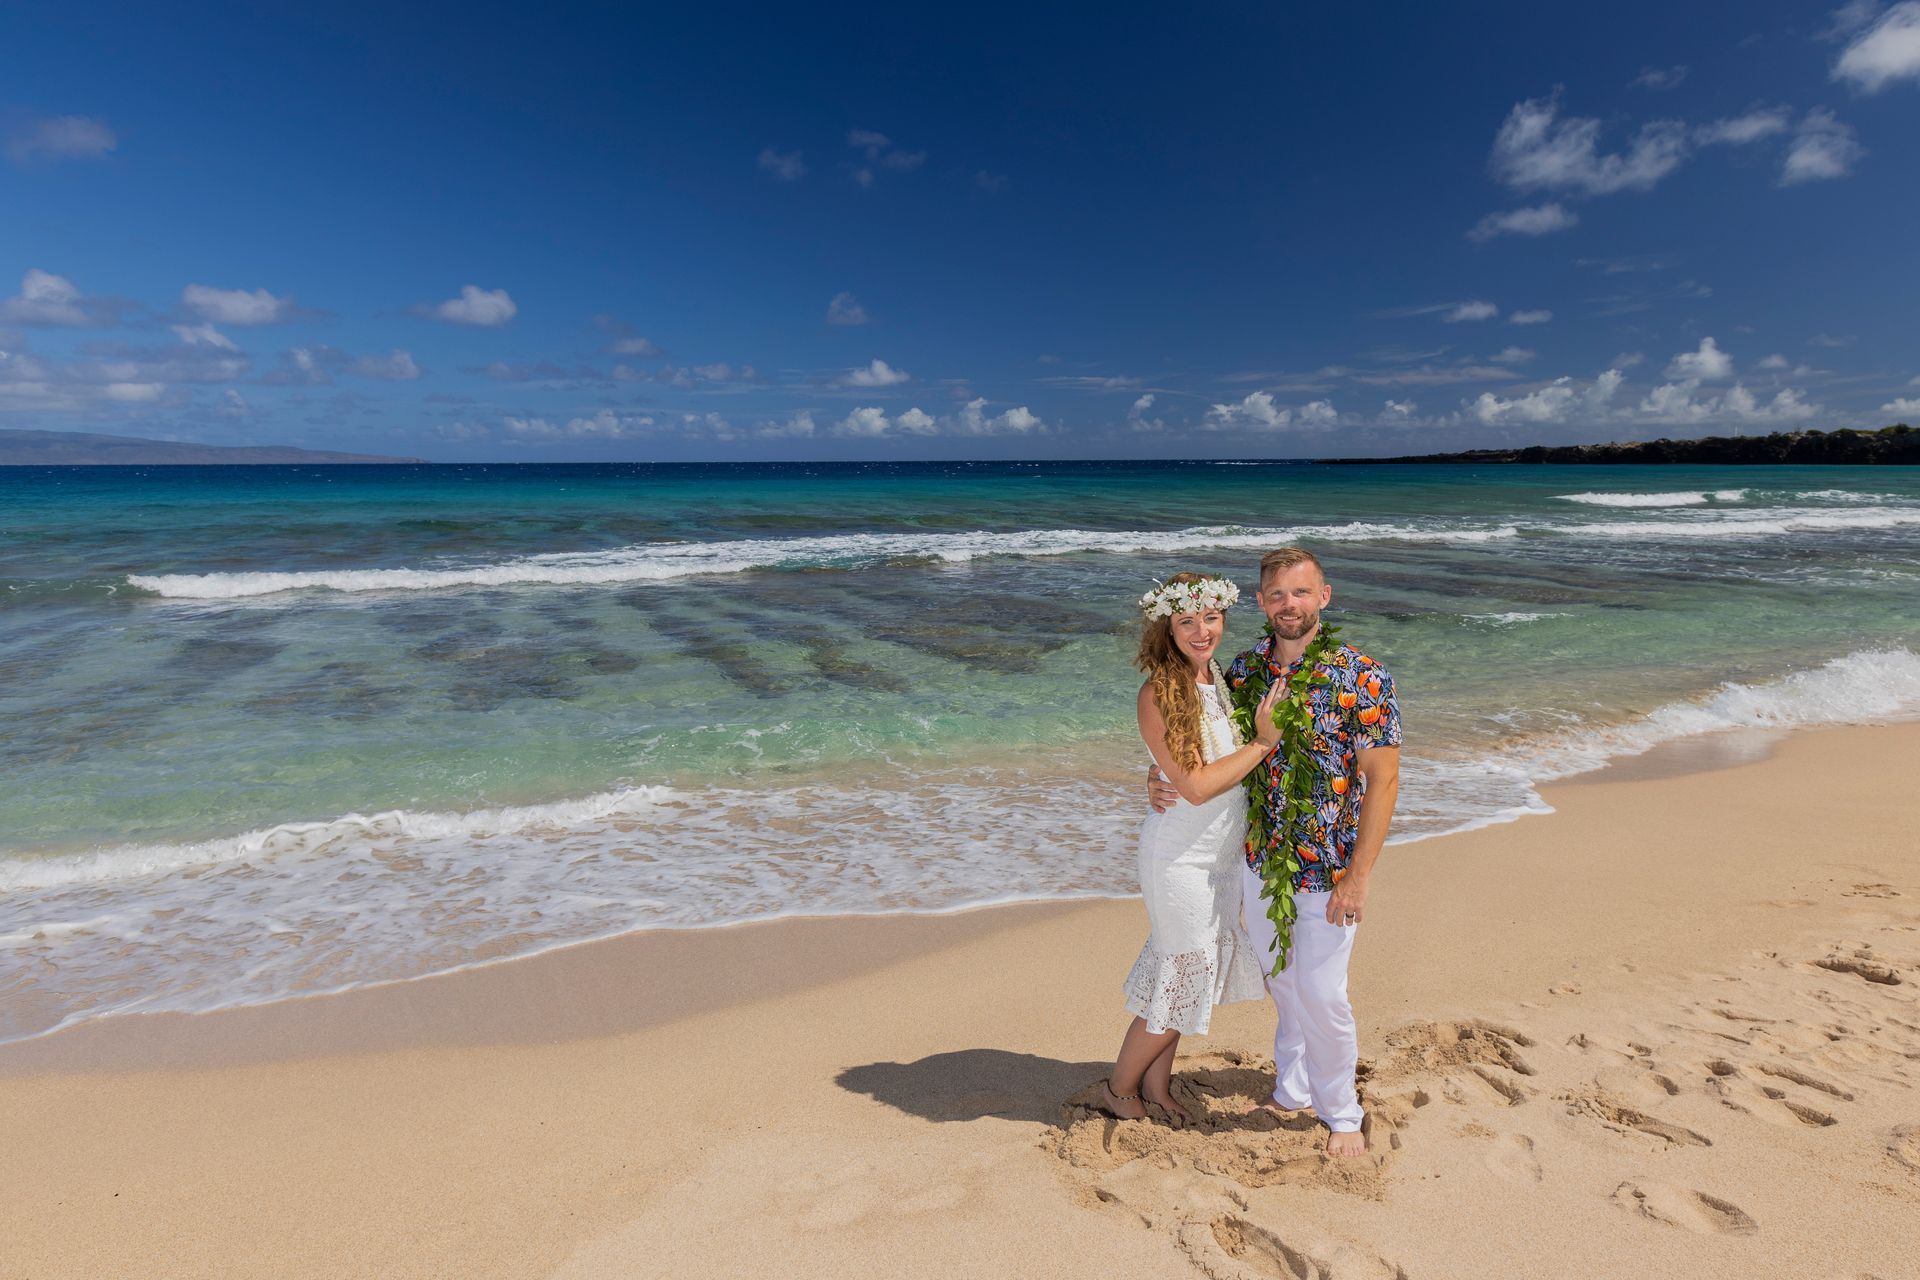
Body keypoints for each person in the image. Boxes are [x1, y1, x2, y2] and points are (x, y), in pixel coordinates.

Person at [1149, 547, 1402, 1156]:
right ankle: (1291, 1086)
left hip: (1329, 866)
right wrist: (1156, 777)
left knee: (1323, 993)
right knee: (1283, 984)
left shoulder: (1363, 677)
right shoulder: (1243, 672)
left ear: (1325, 597)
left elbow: (1383, 781)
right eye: (1278, 595)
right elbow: (1206, 747)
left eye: (1302, 592)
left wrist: (1360, 875)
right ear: (1261, 603)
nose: (1291, 605)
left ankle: (1341, 1111)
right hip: (1260, 860)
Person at [1103, 571, 1283, 1125]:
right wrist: (1262, 742)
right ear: (1168, 627)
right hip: (1179, 858)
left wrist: (1154, 775)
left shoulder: (1219, 682)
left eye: (1211, 617)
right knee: (1184, 972)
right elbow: (1197, 784)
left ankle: (1157, 1087)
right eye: (1187, 620)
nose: (1202, 630)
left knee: (1184, 974)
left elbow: (1187, 768)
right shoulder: (1160, 691)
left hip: (1219, 861)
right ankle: (1119, 1088)